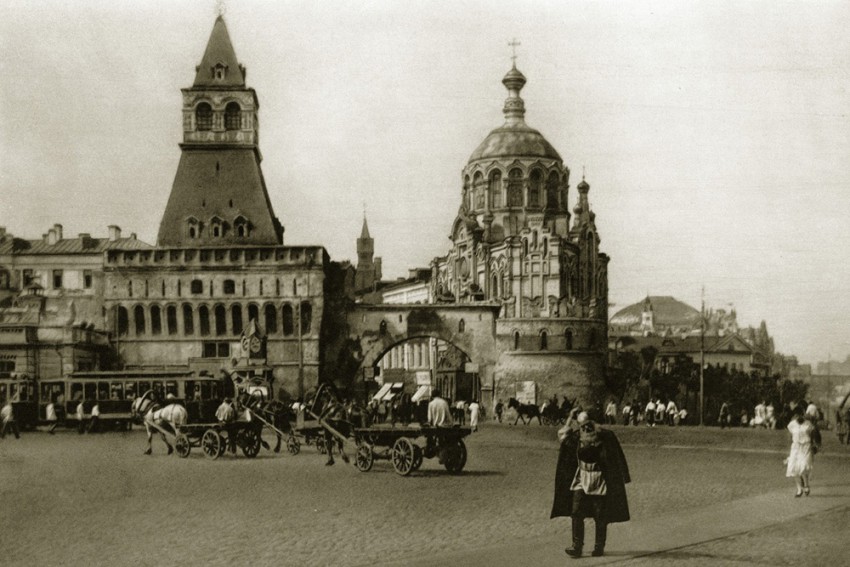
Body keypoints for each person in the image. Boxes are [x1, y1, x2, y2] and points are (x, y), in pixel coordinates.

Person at [552, 410, 631, 558]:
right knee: (576, 511)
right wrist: (569, 417)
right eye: (582, 425)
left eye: (588, 424)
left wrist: (622, 476)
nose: (586, 428)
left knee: (600, 514)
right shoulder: (575, 437)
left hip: (598, 478)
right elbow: (562, 436)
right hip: (581, 477)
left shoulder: (605, 436)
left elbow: (616, 455)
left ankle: (599, 546)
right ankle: (577, 546)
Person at [785, 407, 818, 497]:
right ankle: (799, 489)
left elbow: (813, 436)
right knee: (793, 467)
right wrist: (789, 455)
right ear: (794, 416)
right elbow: (790, 438)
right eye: (796, 415)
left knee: (803, 466)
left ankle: (806, 485)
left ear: (803, 414)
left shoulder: (808, 424)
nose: (798, 417)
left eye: (800, 415)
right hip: (795, 447)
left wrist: (814, 445)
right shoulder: (792, 425)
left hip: (806, 447)